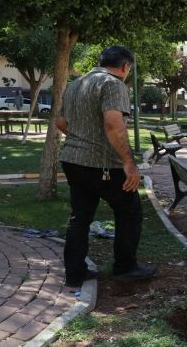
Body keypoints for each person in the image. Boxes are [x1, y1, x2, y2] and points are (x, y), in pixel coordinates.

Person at [55, 45, 156, 287]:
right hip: (102, 166)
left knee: (80, 217)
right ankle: (125, 267)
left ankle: (75, 273)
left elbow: (60, 122)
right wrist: (129, 164)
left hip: (72, 161)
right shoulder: (113, 84)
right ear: (125, 67)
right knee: (130, 211)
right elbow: (113, 124)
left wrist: (82, 139)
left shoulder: (76, 85)